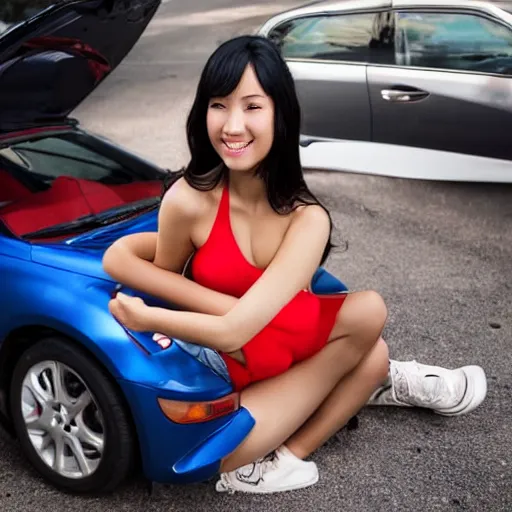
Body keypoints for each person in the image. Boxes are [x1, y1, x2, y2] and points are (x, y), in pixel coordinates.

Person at [103, 35, 487, 494]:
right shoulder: (187, 201)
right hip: (227, 364)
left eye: (252, 107)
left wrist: (147, 316)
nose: (232, 125)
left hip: (271, 339)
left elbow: (233, 326)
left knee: (370, 317)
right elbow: (159, 275)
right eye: (219, 105)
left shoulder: (307, 220)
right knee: (220, 455)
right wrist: (196, 294)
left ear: (280, 114)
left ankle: (287, 458)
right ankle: (369, 382)